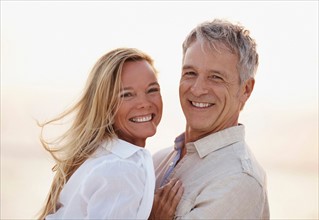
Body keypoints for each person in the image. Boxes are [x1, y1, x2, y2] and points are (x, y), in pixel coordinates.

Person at [37, 48, 183, 219]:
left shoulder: (99, 156)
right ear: (104, 105)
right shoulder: (121, 170)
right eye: (127, 94)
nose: (144, 103)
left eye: (152, 90)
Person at [150, 19, 270, 219]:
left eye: (216, 77)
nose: (197, 89)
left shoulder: (239, 180)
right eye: (190, 73)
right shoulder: (157, 160)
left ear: (245, 90)